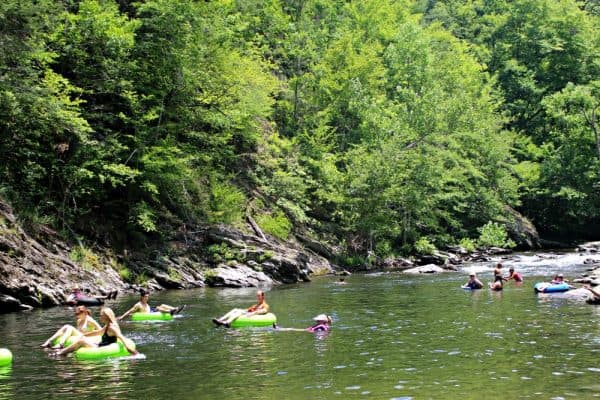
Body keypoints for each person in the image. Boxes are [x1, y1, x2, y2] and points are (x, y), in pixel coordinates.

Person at [56, 307, 138, 356]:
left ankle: (60, 353)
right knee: (82, 339)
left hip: (102, 348)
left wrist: (135, 353)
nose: (100, 317)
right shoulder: (107, 326)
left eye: (101, 315)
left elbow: (122, 338)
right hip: (100, 345)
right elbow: (98, 332)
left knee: (80, 342)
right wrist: (85, 335)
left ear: (106, 316)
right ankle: (65, 352)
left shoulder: (112, 327)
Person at [118, 289, 185, 320]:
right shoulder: (138, 305)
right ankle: (170, 312)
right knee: (158, 307)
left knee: (163, 305)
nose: (147, 298)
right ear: (142, 297)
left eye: (147, 296)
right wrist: (122, 317)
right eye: (145, 297)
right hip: (149, 314)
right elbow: (130, 311)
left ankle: (175, 309)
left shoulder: (145, 303)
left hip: (151, 311)